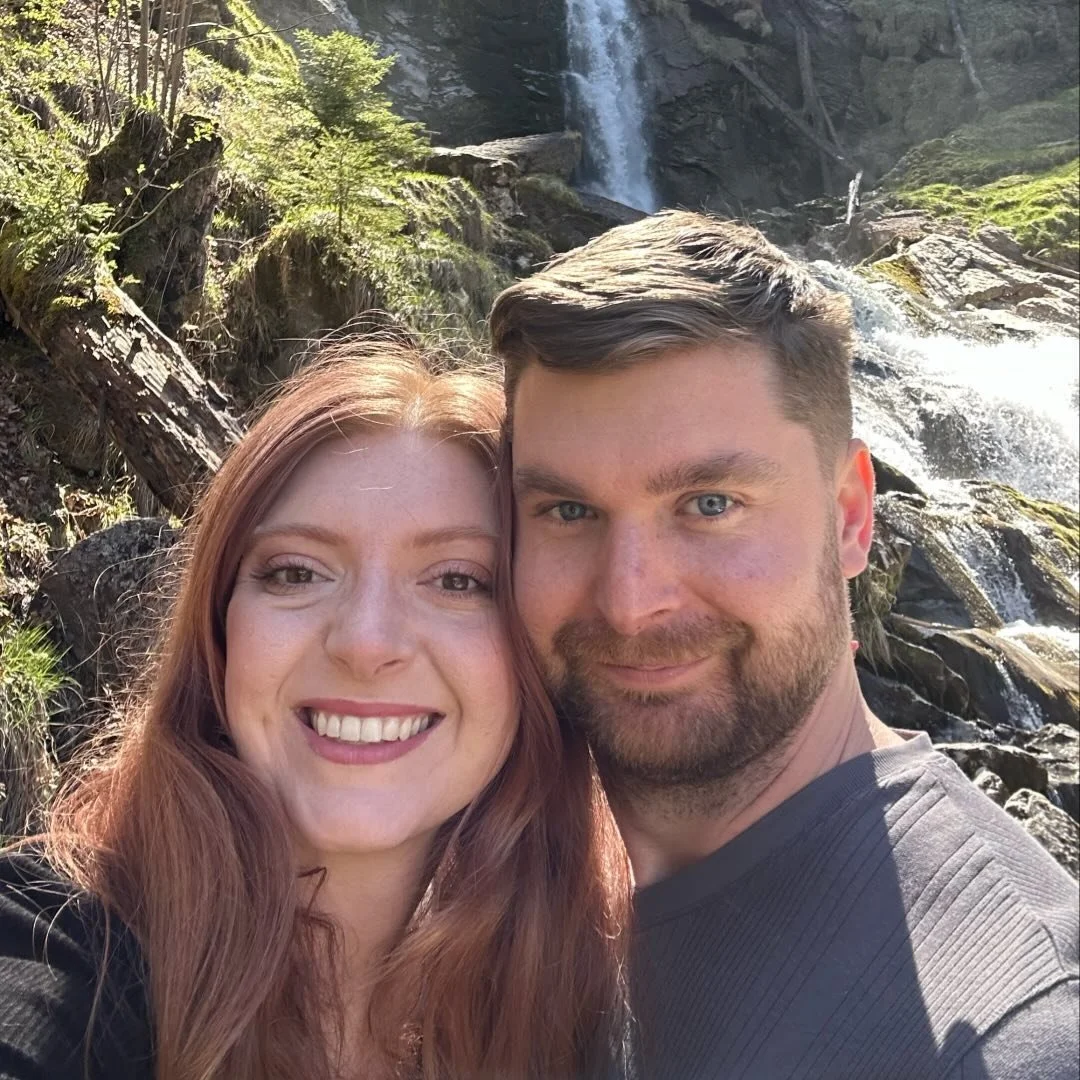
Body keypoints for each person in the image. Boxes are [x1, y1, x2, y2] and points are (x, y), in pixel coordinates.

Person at [490, 210, 1080, 1080]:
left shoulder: (1017, 1028)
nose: (629, 601)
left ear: (850, 516)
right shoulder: (464, 878)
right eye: (569, 512)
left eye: (711, 504)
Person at [0, 341, 632, 1080]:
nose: (366, 643)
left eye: (457, 580)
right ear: (219, 629)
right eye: (296, 572)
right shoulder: (53, 940)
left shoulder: (609, 990)